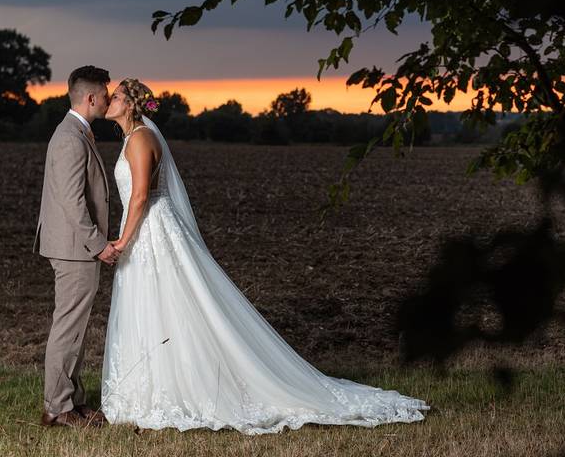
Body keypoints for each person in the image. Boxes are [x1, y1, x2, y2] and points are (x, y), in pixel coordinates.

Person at [100, 77, 430, 434]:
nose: (109, 100)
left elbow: (139, 196)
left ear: (131, 105)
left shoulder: (139, 140)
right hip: (152, 227)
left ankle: (175, 389)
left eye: (115, 96)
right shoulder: (136, 138)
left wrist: (121, 240)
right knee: (159, 305)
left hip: (150, 229)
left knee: (167, 304)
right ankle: (154, 385)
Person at [33, 66, 121, 428]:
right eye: (105, 93)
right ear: (91, 98)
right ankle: (57, 407)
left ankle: (73, 398)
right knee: (68, 326)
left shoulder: (76, 132)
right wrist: (98, 245)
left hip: (74, 247)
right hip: (75, 248)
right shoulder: (70, 137)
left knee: (76, 326)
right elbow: (72, 202)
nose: (108, 98)